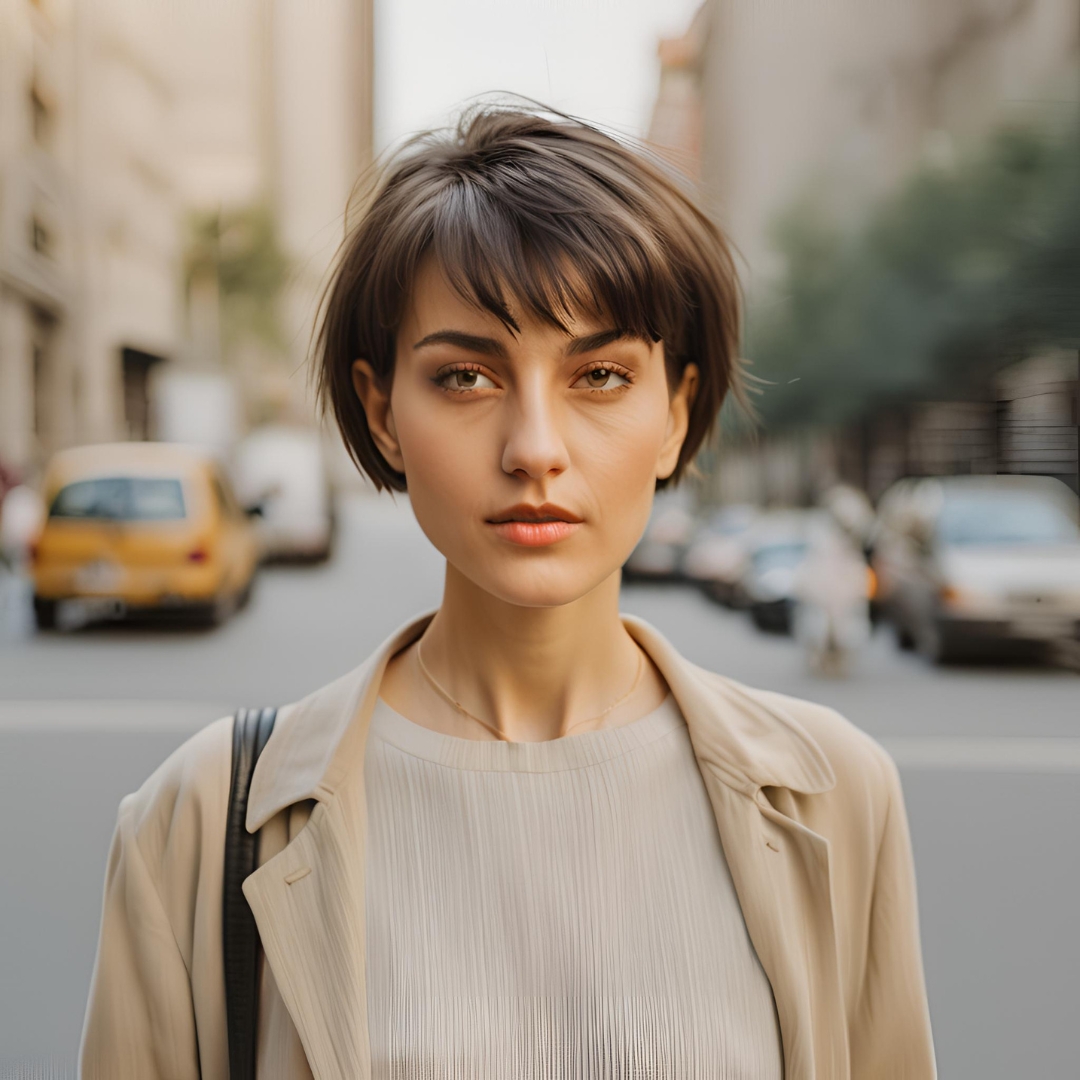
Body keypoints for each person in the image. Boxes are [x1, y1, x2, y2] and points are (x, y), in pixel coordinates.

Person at [80, 105, 936, 1079]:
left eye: (602, 374)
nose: (535, 447)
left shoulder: (835, 795)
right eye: (467, 377)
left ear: (677, 413)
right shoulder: (200, 819)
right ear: (381, 411)